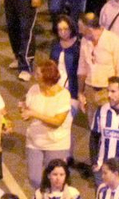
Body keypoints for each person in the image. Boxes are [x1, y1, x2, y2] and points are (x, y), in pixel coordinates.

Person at [21, 58, 73, 187]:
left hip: (56, 143)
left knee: (55, 181)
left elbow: (57, 122)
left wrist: (34, 114)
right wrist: (23, 109)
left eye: (38, 74)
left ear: (47, 77)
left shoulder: (63, 95)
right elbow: (28, 111)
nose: (35, 76)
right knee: (34, 178)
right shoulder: (33, 89)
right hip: (34, 140)